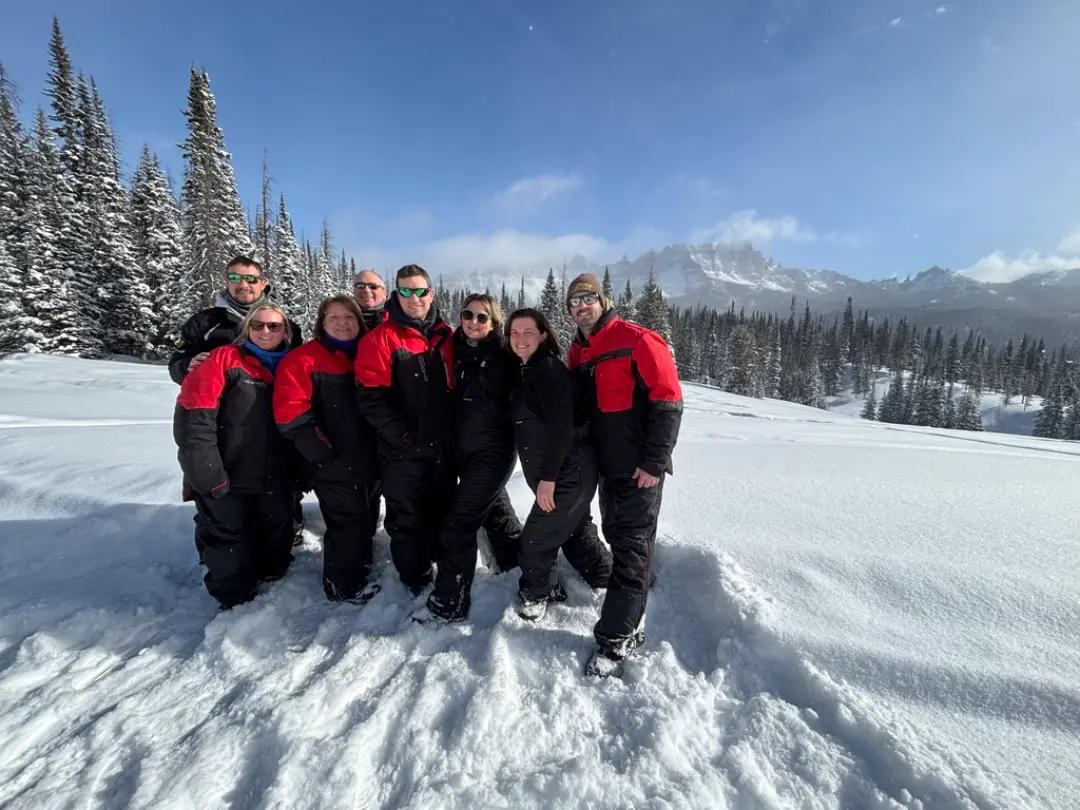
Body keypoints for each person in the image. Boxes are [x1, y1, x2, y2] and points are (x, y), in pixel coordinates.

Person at [566, 274, 683, 677]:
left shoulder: (638, 339)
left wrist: (654, 461)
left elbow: (668, 401)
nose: (581, 306)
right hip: (606, 467)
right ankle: (635, 593)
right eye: (573, 302)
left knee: (631, 545)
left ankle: (618, 636)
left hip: (639, 468)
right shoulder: (579, 352)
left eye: (587, 298)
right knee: (618, 535)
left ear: (603, 299)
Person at [168, 256, 306, 553]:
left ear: (263, 283)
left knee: (280, 493)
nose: (243, 285)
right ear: (226, 280)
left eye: (251, 279)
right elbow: (177, 363)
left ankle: (286, 535)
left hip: (274, 423)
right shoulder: (206, 322)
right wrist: (188, 366)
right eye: (235, 278)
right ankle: (221, 556)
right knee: (220, 497)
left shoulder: (286, 323)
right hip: (224, 424)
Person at [173, 302, 297, 610]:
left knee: (274, 543)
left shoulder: (293, 364)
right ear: (246, 330)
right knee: (228, 543)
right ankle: (235, 602)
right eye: (257, 325)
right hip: (228, 472)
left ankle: (268, 582)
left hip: (277, 474)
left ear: (287, 331)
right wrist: (206, 472)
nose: (265, 331)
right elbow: (193, 420)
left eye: (274, 326)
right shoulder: (221, 359)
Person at [354, 264, 457, 595]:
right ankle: (414, 579)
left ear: (432, 293)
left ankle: (439, 560)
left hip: (442, 448)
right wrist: (401, 438)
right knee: (406, 517)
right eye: (407, 291)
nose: (415, 297)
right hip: (401, 451)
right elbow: (371, 399)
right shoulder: (380, 339)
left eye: (421, 290)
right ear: (396, 295)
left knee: (440, 508)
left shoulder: (447, 336)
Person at [505, 308, 612, 622]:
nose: (520, 339)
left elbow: (563, 428)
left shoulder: (548, 370)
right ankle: (609, 578)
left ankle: (539, 593)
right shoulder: (528, 370)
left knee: (535, 541)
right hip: (563, 470)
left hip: (568, 471)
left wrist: (549, 478)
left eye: (528, 332)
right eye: (514, 333)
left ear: (542, 335)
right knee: (575, 531)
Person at [421, 294, 523, 622]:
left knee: (458, 525)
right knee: (496, 513)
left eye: (482, 317)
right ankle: (524, 568)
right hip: (464, 454)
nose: (473, 322)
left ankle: (451, 602)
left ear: (494, 323)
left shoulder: (504, 358)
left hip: (492, 456)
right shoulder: (458, 352)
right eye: (468, 315)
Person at [274, 295, 381, 604]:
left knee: (367, 517)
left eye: (349, 317)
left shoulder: (368, 353)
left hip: (371, 458)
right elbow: (291, 414)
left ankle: (360, 567)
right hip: (333, 461)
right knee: (347, 524)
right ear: (321, 322)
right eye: (333, 317)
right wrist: (323, 454)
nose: (342, 323)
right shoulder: (304, 359)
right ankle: (343, 586)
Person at [352, 268, 389, 541]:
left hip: (388, 418)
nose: (367, 291)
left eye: (373, 286)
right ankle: (364, 539)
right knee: (361, 489)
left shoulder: (392, 322)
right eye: (361, 285)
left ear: (384, 292)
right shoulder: (342, 320)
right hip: (349, 418)